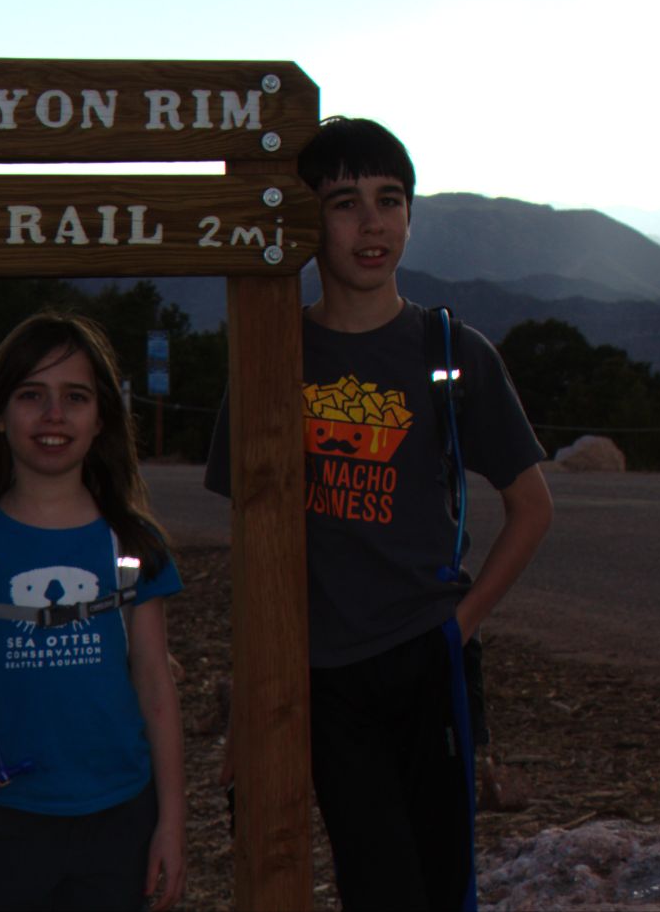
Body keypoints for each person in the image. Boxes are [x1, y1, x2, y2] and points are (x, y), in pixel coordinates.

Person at [205, 116, 554, 911]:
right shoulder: (272, 355)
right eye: (344, 203)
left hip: (427, 659)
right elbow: (251, 541)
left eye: (390, 200)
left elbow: (531, 508)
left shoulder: (450, 348)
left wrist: (455, 629)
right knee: (378, 886)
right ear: (307, 223)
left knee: (440, 885)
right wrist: (251, 692)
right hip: (321, 674)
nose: (372, 224)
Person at [0, 312, 186, 912]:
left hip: (120, 815)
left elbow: (156, 687)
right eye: (31, 395)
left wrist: (172, 821)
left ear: (102, 419)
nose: (53, 415)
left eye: (76, 397)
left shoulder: (132, 543)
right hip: (7, 822)